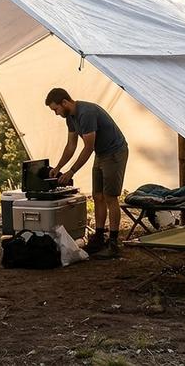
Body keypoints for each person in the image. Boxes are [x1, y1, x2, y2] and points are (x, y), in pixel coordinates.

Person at [46, 88, 129, 258]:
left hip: (114, 152)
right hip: (101, 153)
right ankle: (99, 236)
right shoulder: (70, 118)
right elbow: (71, 146)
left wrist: (72, 171)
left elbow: (89, 147)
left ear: (65, 102)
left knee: (110, 197)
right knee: (97, 195)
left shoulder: (86, 113)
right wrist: (58, 167)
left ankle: (113, 242)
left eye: (56, 109)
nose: (56, 113)